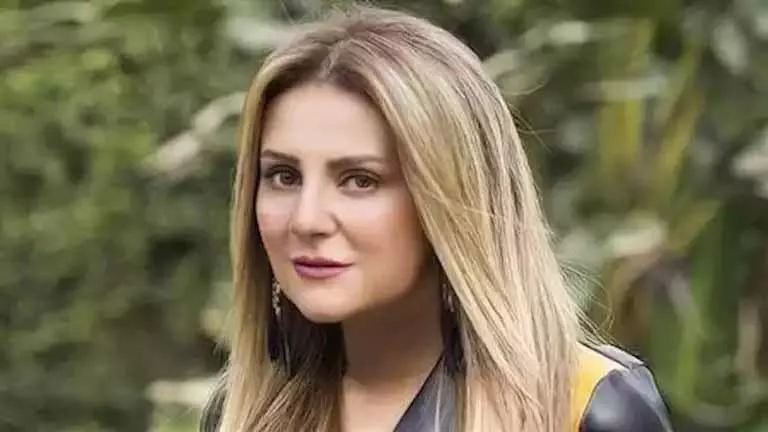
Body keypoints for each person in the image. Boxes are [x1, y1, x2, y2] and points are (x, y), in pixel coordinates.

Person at [200, 6, 673, 432]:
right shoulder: (242, 413)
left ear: (451, 195)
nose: (307, 220)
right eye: (283, 176)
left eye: (360, 180)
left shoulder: (583, 407)